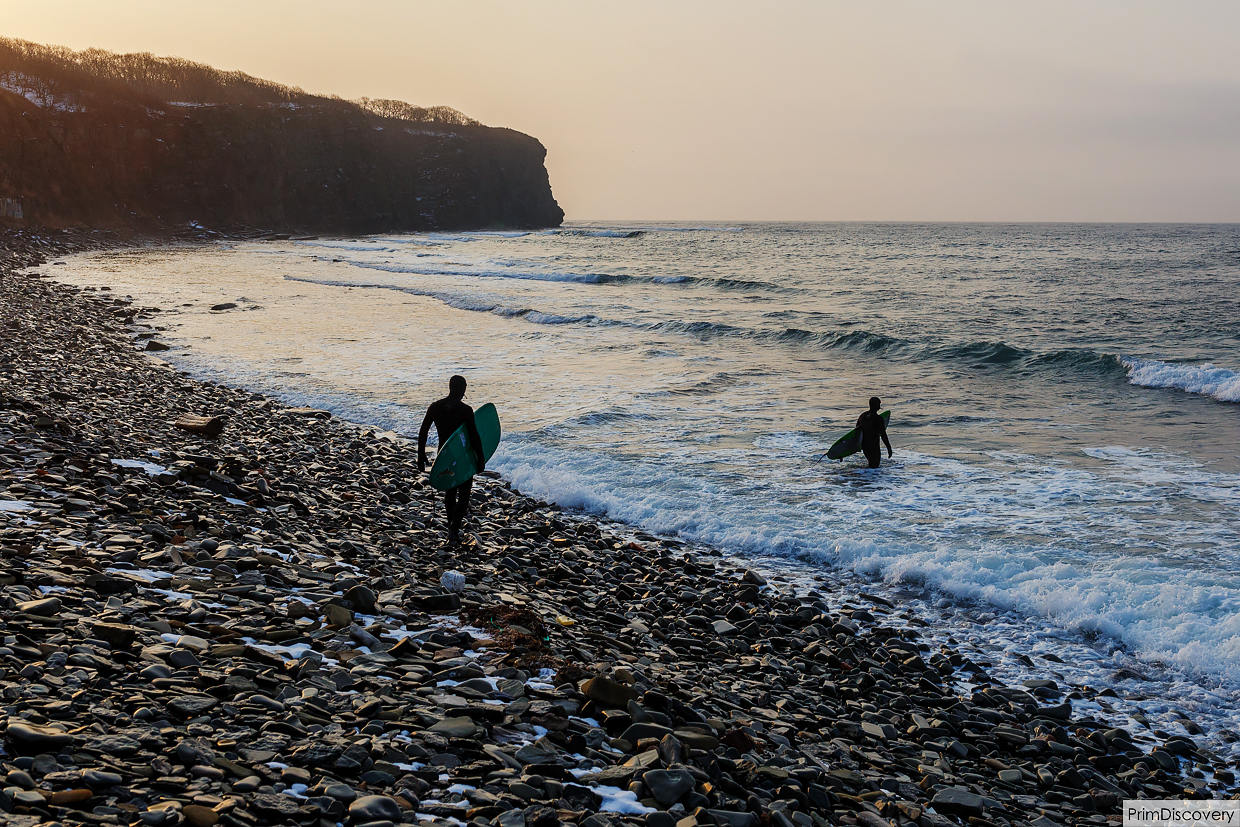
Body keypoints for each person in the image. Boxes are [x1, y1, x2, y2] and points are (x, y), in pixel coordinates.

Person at [418, 375, 486, 544]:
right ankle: (454, 528)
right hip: (462, 457)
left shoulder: (435, 407)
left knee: (450, 490)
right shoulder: (465, 410)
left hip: (445, 456)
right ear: (464, 389)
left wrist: (421, 455)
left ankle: (451, 525)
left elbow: (423, 431)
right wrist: (480, 459)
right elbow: (474, 437)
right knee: (464, 494)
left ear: (449, 387)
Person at [856, 396, 893, 469]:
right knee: (875, 467)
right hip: (874, 446)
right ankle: (871, 479)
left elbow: (857, 430)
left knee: (871, 465)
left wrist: (857, 446)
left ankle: (865, 478)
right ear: (875, 405)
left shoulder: (863, 416)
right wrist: (889, 448)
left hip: (865, 445)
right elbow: (883, 434)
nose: (879, 406)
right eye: (878, 404)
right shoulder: (878, 418)